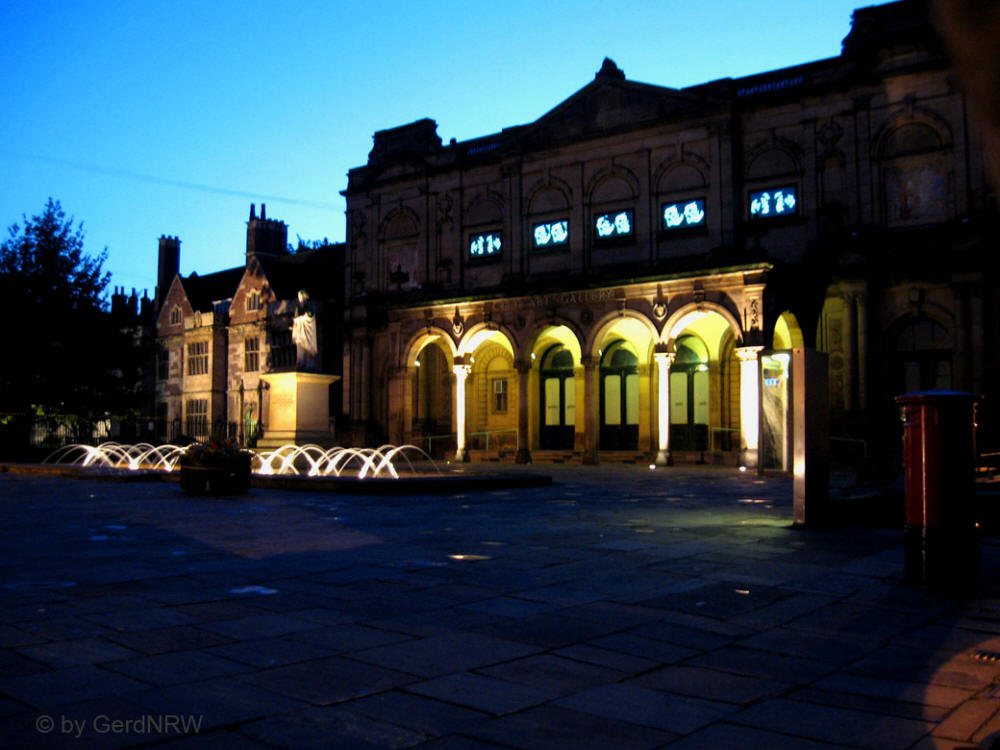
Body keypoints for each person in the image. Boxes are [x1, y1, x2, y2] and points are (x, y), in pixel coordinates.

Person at [291, 290, 318, 369]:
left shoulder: (310, 305)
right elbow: (295, 319)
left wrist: (301, 318)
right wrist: (296, 322)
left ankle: (309, 363)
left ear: (304, 297)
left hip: (308, 331)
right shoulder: (298, 307)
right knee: (300, 348)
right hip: (300, 332)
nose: (299, 298)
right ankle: (300, 362)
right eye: (298, 297)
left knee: (308, 350)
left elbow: (310, 316)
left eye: (300, 296)